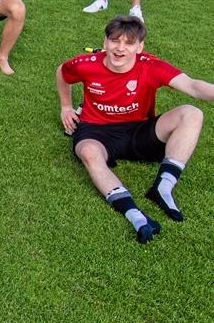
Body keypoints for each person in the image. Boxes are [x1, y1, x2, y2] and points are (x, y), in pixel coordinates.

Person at [57, 15, 214, 243]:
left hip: (140, 131)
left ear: (140, 47)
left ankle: (163, 188)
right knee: (89, 153)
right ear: (105, 42)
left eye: (129, 43)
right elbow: (62, 73)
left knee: (192, 113)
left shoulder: (151, 66)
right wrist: (66, 107)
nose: (120, 49)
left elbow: (192, 86)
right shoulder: (86, 64)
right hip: (96, 130)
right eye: (114, 40)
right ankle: (136, 216)